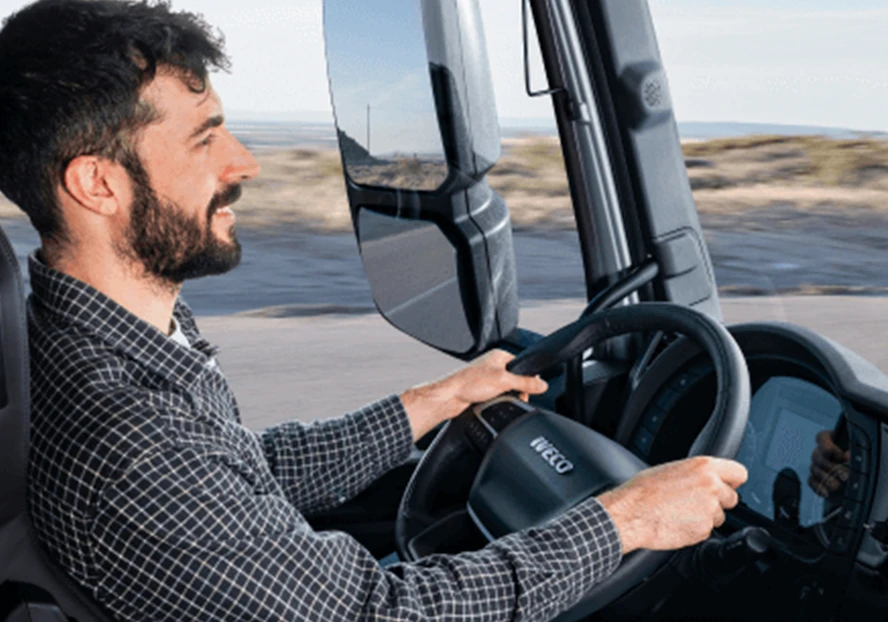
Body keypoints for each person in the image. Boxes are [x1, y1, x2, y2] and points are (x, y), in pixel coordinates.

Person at [0, 1, 748, 620]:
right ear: (98, 184)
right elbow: (379, 612)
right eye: (204, 139)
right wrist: (623, 519)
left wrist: (435, 401)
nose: (243, 164)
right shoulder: (135, 443)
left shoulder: (104, 341)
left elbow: (244, 473)